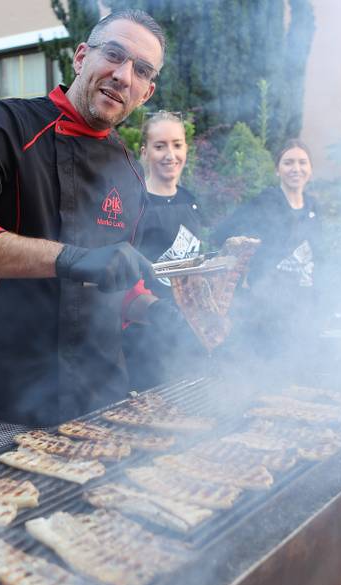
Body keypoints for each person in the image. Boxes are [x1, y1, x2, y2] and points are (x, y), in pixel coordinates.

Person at [0, 10, 169, 459]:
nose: (123, 75)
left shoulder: (131, 175)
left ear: (147, 91)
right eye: (114, 54)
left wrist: (160, 311)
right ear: (81, 57)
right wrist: (69, 258)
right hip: (7, 401)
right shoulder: (5, 126)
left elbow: (118, 286)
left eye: (142, 70)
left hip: (99, 403)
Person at [212, 140, 322, 354]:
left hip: (304, 308)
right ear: (277, 169)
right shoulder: (266, 202)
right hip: (268, 310)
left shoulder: (314, 207)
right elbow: (221, 234)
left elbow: (320, 257)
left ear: (310, 169)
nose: (296, 169)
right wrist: (245, 258)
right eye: (288, 162)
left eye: (302, 162)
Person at [123, 111, 204, 389]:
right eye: (160, 146)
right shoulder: (133, 203)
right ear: (144, 152)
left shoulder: (190, 200)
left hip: (189, 330)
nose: (171, 154)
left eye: (177, 144)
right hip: (145, 335)